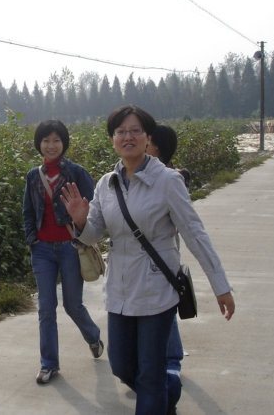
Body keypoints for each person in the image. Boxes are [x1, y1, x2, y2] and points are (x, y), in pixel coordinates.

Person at [61, 105, 235, 415]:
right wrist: (81, 221)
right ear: (112, 139)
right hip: (119, 290)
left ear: (147, 137)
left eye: (135, 131)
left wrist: (220, 285)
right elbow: (93, 235)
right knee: (122, 367)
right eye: (120, 131)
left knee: (150, 373)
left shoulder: (168, 181)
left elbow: (195, 234)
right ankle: (170, 391)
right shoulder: (106, 184)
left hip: (156, 288)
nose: (127, 137)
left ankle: (158, 397)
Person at [22, 120, 103, 384]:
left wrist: (82, 232)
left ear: (64, 143)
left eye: (56, 140)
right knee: (46, 308)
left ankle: (93, 336)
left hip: (71, 248)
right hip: (42, 250)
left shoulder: (77, 173)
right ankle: (49, 364)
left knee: (72, 305)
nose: (51, 145)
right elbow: (27, 212)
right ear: (39, 144)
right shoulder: (34, 176)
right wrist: (32, 239)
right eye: (46, 140)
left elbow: (93, 210)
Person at [145, 124, 189, 407]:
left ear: (156, 148)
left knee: (165, 307)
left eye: (146, 140)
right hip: (142, 259)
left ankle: (172, 362)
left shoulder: (170, 179)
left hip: (162, 256)